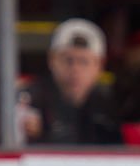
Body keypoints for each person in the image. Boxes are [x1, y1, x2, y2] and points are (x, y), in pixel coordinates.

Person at [18, 18, 121, 146]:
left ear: (99, 65)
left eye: (84, 62)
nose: (75, 69)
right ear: (52, 60)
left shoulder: (109, 107)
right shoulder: (30, 100)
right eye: (68, 60)